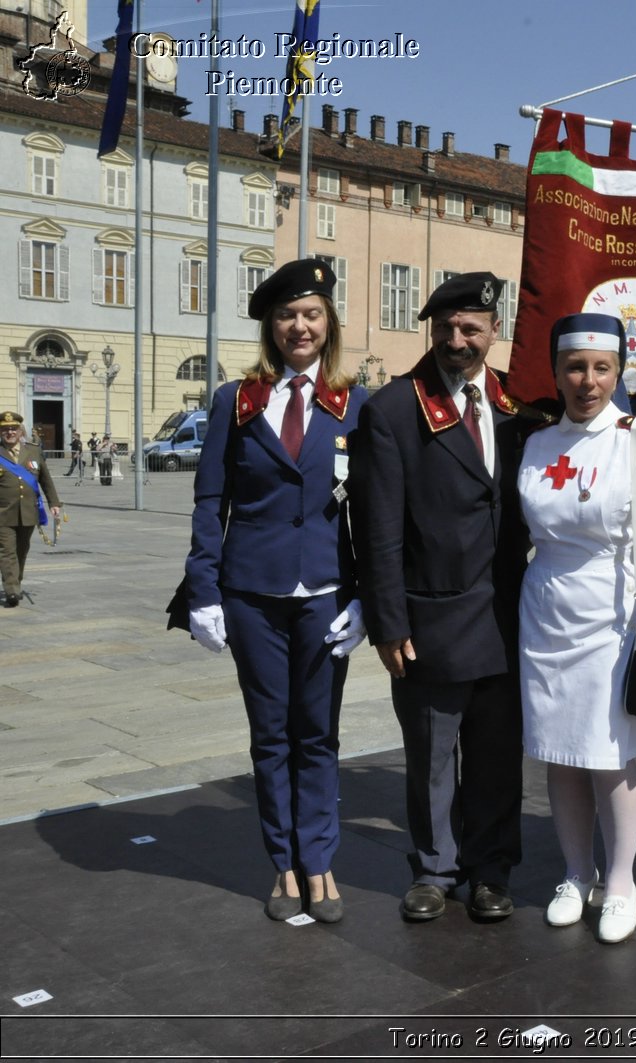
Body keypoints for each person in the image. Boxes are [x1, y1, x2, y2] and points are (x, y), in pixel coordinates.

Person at [179, 258, 367, 921]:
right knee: (270, 734)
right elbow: (210, 502)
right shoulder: (237, 400)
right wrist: (203, 590)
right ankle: (283, 863)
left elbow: (369, 511)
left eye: (312, 313)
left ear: (328, 322)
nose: (300, 325)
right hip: (251, 593)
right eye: (287, 315)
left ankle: (320, 860)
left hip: (325, 593)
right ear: (271, 325)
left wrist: (364, 596)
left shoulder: (354, 403)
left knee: (318, 733)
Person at [349, 272, 531, 923]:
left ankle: (490, 870)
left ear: (492, 330)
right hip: (429, 617)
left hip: (506, 618)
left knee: (495, 757)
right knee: (431, 755)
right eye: (446, 327)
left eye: (471, 327)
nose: (458, 339)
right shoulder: (393, 409)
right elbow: (376, 529)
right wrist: (387, 621)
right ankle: (432, 868)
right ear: (431, 328)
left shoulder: (517, 405)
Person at [517, 313, 636, 944]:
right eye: (574, 367)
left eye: (601, 368)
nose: (587, 381)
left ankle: (620, 881)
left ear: (619, 371)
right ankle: (575, 871)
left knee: (610, 756)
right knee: (561, 754)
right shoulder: (537, 444)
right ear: (556, 371)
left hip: (613, 613)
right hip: (545, 608)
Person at [0, 411, 61, 608]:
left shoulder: (33, 451)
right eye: (5, 429)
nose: (9, 432)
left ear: (20, 431)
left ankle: (16, 581)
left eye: (13, 429)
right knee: (6, 552)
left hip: (28, 511)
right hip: (3, 513)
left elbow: (45, 479)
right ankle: (11, 590)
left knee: (21, 550)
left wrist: (54, 503)